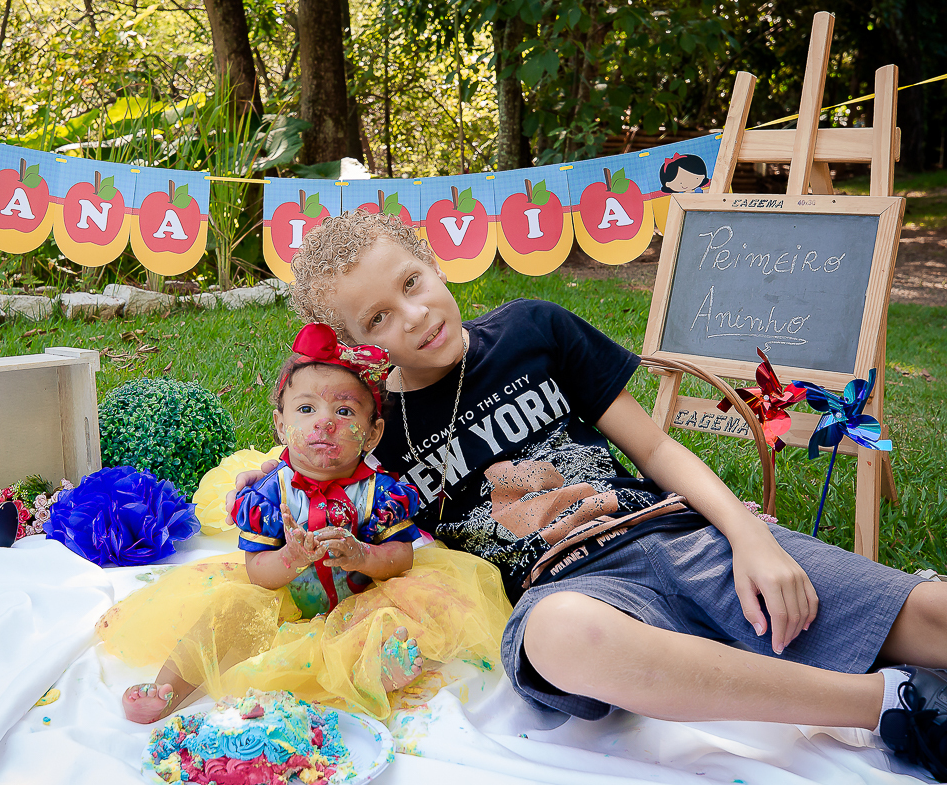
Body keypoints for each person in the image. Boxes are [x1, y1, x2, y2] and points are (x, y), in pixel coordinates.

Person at [229, 210, 947, 781]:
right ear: (357, 343)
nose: (412, 317)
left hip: (675, 537)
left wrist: (748, 536)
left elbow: (657, 448)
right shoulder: (377, 435)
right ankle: (889, 706)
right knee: (561, 638)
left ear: (433, 263)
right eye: (378, 319)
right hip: (570, 592)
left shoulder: (533, 330)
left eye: (411, 284)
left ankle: (864, 660)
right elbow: (314, 477)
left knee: (934, 614)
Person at [101, 322, 510, 724]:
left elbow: (401, 558)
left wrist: (363, 555)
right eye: (307, 408)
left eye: (344, 410)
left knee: (401, 619)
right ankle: (167, 688)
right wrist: (290, 557)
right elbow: (258, 574)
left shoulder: (379, 493)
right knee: (224, 613)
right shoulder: (269, 495)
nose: (325, 421)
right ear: (281, 425)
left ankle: (373, 673)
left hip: (361, 598)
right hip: (286, 597)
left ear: (371, 434)